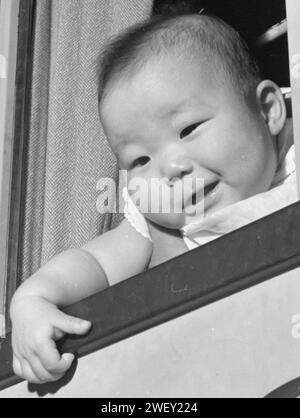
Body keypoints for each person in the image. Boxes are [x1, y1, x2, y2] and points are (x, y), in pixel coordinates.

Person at [10, 14, 297, 384]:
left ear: (269, 110)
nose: (171, 168)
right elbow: (93, 262)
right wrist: (32, 300)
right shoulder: (154, 224)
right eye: (140, 160)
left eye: (188, 129)